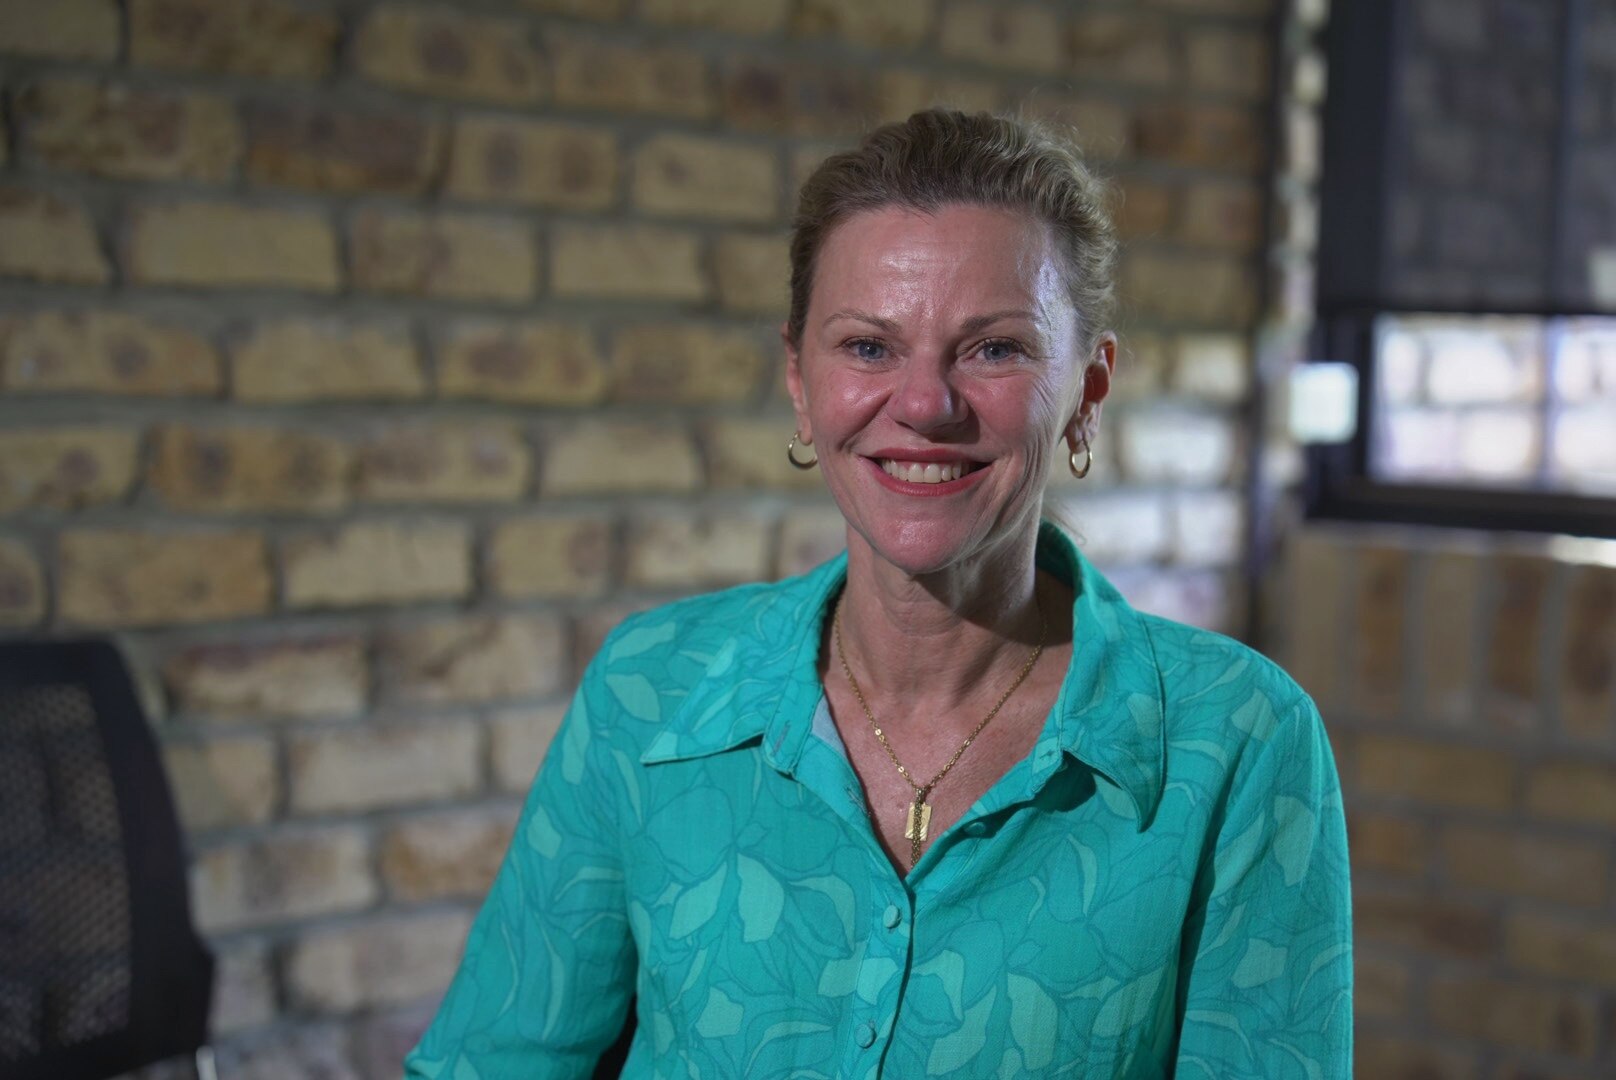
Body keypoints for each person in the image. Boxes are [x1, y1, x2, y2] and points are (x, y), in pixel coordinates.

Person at [404, 108, 1351, 1079]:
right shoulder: (649, 696)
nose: (924, 404)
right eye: (866, 347)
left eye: (992, 349)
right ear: (799, 380)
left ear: (1087, 389)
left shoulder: (1234, 740)